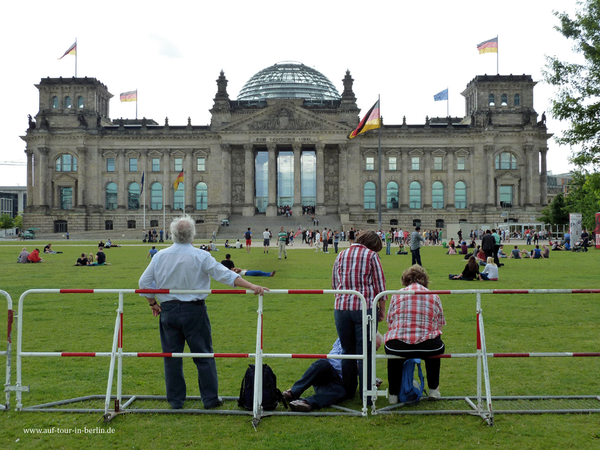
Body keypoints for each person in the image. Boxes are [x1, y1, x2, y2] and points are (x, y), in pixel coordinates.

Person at [139, 215, 269, 410]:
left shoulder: (160, 256)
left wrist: (152, 303)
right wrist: (251, 285)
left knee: (171, 358)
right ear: (193, 235)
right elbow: (225, 275)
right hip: (194, 311)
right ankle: (209, 399)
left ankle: (175, 401)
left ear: (173, 234)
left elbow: (143, 283)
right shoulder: (200, 255)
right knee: (204, 356)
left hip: (168, 311)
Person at [332, 230, 386, 404]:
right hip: (365, 307)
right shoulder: (371, 257)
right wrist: (382, 309)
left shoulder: (341, 254)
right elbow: (380, 285)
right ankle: (367, 395)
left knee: (347, 352)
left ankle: (348, 392)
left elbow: (334, 282)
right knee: (366, 352)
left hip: (341, 308)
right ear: (372, 245)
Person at [384, 265, 445, 403]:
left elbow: (390, 323)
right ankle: (434, 389)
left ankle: (393, 394)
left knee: (394, 355)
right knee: (435, 346)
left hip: (398, 345)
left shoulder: (397, 294)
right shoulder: (433, 295)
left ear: (405, 280)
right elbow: (439, 326)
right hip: (428, 346)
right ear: (425, 280)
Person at [284, 334, 383, 412]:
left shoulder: (367, 354)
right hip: (327, 371)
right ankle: (293, 392)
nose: (373, 351)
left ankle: (307, 402)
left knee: (341, 393)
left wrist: (372, 379)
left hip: (339, 383)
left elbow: (362, 368)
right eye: (373, 347)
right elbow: (353, 364)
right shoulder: (346, 337)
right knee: (321, 363)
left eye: (376, 349)